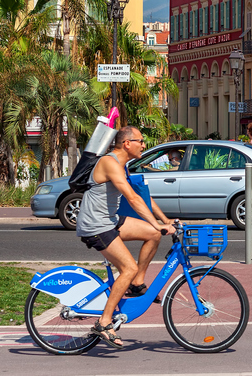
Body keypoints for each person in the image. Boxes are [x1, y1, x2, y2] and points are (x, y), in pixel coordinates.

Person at [75, 126, 177, 348]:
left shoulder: (123, 165)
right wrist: (158, 224)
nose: (144, 145)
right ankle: (104, 322)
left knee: (152, 234)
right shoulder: (109, 163)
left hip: (110, 220)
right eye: (140, 141)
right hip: (95, 225)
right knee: (128, 268)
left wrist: (164, 221)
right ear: (127, 143)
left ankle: (137, 283)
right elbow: (132, 199)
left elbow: (141, 197)